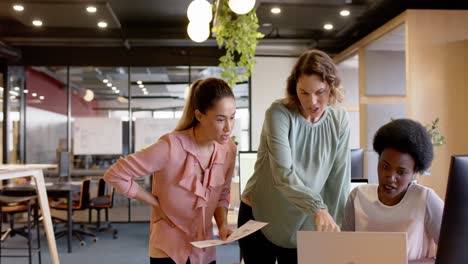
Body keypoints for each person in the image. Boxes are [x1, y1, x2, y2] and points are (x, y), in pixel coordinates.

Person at [104, 77, 237, 264]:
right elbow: (115, 175)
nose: (228, 127)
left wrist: (223, 225)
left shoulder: (228, 149)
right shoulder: (170, 146)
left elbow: (222, 194)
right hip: (168, 248)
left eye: (232, 118)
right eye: (220, 119)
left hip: (204, 250)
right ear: (199, 116)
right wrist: (155, 203)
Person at [238, 49, 351, 263]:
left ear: (332, 88)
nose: (313, 101)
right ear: (294, 89)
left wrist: (339, 226)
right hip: (259, 215)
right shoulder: (279, 114)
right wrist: (318, 207)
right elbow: (283, 174)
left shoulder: (340, 120)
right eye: (304, 92)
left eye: (321, 92)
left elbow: (338, 180)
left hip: (303, 221)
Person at [343, 119, 444, 261]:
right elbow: (344, 253)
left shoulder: (425, 199)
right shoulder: (357, 197)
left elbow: (455, 252)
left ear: (414, 172)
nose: (390, 178)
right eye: (385, 166)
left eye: (401, 172)